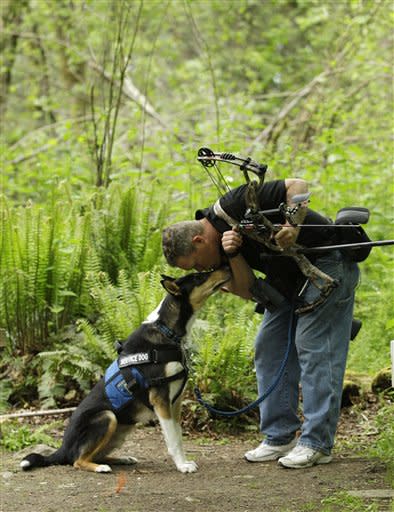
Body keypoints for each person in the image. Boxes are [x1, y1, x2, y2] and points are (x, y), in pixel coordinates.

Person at [161, 178, 359, 469]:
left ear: (198, 241)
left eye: (196, 264)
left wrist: (291, 226)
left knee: (313, 345)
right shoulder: (219, 251)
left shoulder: (233, 204)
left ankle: (317, 443)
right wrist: (233, 253)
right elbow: (246, 289)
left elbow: (297, 185)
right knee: (268, 346)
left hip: (326, 264)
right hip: (288, 283)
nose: (202, 270)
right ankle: (279, 437)